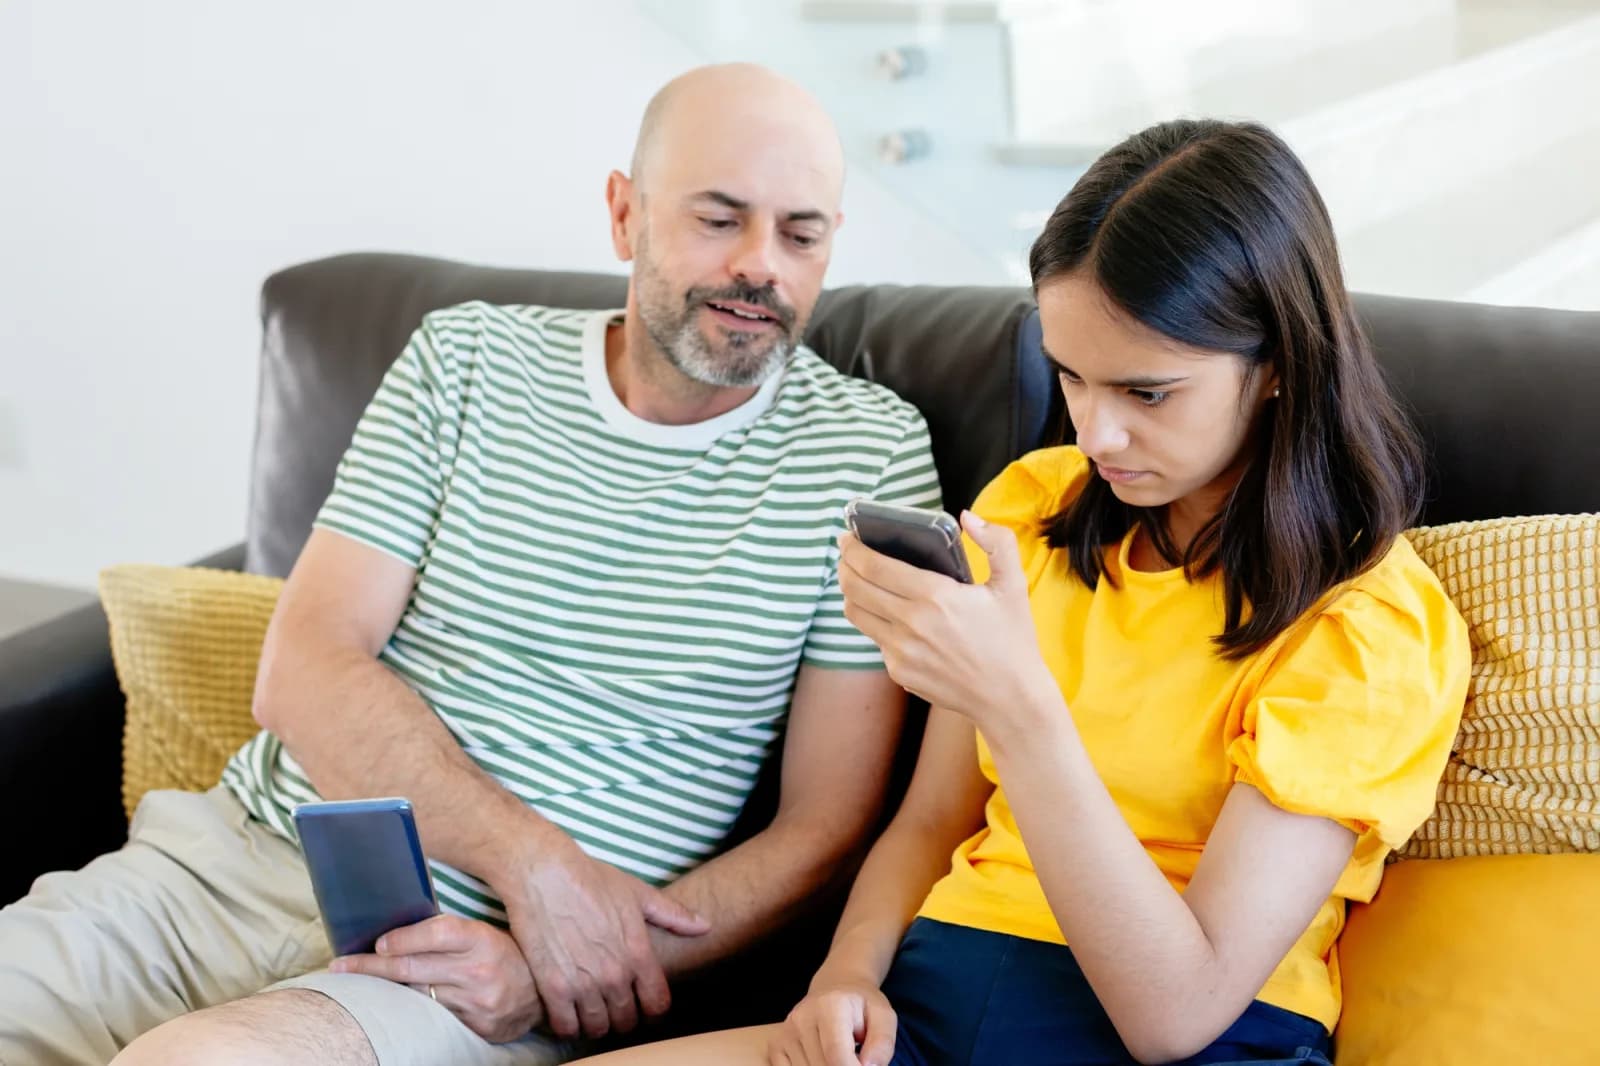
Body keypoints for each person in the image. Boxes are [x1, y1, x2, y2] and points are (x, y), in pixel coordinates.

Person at [0, 63, 942, 1066]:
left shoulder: (868, 456)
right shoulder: (468, 359)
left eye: (802, 235)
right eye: (720, 219)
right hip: (223, 870)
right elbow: (306, 664)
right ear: (625, 215)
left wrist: (563, 961)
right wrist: (533, 864)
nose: (764, 265)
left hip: (477, 978)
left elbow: (828, 824)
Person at [573, 119, 1471, 1066]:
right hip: (929, 1007)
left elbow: (1176, 1014)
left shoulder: (1371, 630)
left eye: (1148, 393)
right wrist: (844, 978)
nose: (1097, 434)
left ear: (1280, 365)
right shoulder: (1035, 509)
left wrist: (1019, 701)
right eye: (1072, 378)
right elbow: (930, 822)